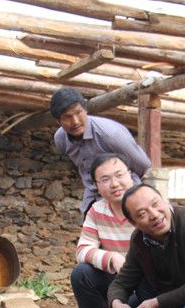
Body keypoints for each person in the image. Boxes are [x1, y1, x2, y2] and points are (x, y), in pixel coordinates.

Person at [70, 153, 137, 308]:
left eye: (119, 175)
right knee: (82, 273)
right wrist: (112, 258)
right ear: (97, 186)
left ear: (131, 175)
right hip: (117, 281)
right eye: (105, 179)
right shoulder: (97, 211)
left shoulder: (148, 205)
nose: (114, 184)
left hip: (148, 284)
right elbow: (82, 250)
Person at [51, 87, 152, 215]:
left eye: (78, 113)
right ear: (58, 121)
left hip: (124, 197)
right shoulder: (61, 139)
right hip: (92, 197)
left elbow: (143, 165)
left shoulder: (111, 134)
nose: (75, 121)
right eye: (67, 117)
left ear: (85, 109)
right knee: (89, 225)